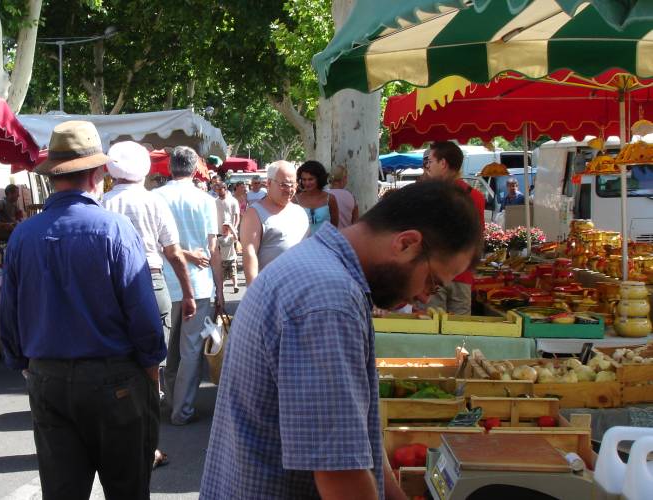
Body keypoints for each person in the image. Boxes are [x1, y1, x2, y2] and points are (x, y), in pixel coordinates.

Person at [200, 181, 482, 500]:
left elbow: (356, 442)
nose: (422, 297)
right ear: (406, 243)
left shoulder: (321, 267)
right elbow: (342, 477)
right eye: (432, 283)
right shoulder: (329, 300)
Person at [0, 121, 165, 499]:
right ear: (97, 174)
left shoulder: (24, 234)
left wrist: (27, 365)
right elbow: (142, 313)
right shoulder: (114, 229)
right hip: (113, 379)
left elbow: (8, 314)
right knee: (127, 489)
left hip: (48, 377)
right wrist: (151, 368)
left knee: (62, 491)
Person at [102, 141, 196, 469]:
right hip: (150, 282)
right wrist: (187, 293)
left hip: (110, 289)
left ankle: (118, 440)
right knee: (152, 368)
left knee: (115, 366)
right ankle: (149, 446)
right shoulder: (152, 202)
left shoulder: (101, 203)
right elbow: (173, 253)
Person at [154, 146, 224, 426]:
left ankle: (174, 401)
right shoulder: (205, 200)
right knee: (191, 350)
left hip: (163, 282)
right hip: (198, 284)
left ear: (170, 167)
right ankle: (181, 408)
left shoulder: (155, 197)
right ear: (195, 168)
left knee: (169, 350)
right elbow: (212, 249)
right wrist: (219, 289)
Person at [422, 141, 486, 315]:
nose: (428, 166)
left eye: (431, 162)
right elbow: (478, 239)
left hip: (433, 276)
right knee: (459, 333)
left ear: (443, 164)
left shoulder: (428, 196)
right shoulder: (477, 197)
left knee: (432, 332)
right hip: (463, 275)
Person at [240, 161, 309, 285]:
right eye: (284, 185)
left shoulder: (300, 212)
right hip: (270, 291)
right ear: (269, 183)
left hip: (299, 288)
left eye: (293, 184)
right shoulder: (254, 214)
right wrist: (254, 294)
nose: (289, 189)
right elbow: (249, 254)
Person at [294, 160, 340, 234]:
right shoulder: (294, 200)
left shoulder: (330, 199)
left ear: (319, 179)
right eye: (304, 179)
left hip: (324, 243)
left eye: (310, 179)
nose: (307, 183)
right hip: (303, 243)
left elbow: (334, 226)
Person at [326, 164, 360, 228]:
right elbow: (355, 221)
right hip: (346, 236)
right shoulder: (351, 196)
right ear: (344, 178)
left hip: (327, 236)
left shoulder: (323, 195)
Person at [217, 223, 240, 294]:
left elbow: (236, 237)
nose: (224, 230)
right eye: (223, 229)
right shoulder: (219, 239)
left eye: (226, 229)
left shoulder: (231, 237)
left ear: (230, 230)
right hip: (223, 260)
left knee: (233, 274)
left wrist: (231, 227)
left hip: (232, 259)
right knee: (222, 276)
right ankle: (222, 288)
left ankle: (235, 286)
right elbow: (216, 248)